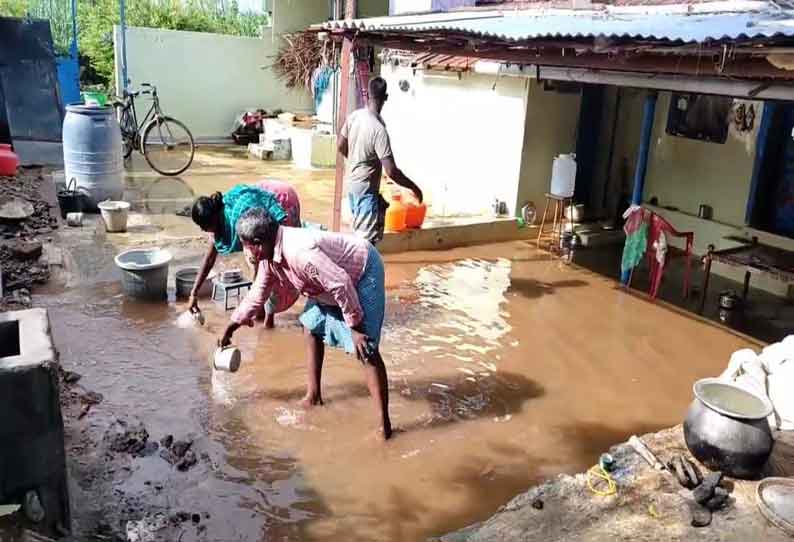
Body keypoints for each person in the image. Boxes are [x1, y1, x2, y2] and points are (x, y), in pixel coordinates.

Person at [218, 208, 392, 440]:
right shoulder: (269, 255)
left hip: (361, 271)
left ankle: (385, 426)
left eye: (245, 245)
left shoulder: (300, 253)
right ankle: (314, 396)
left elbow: (340, 284)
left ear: (258, 243)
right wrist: (232, 326)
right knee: (311, 326)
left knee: (366, 348)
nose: (245, 251)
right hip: (326, 282)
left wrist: (356, 327)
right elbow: (258, 293)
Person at [189, 179, 301, 328]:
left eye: (205, 226)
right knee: (260, 266)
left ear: (215, 218)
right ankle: (263, 314)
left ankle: (268, 319)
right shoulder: (216, 220)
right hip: (262, 195)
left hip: (282, 201)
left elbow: (259, 264)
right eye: (201, 227)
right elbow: (209, 259)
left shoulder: (239, 219)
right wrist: (193, 293)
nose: (203, 230)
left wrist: (250, 308)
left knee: (274, 260)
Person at [338, 76, 422, 244]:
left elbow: (340, 145)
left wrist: (356, 160)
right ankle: (367, 270)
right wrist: (415, 188)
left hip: (353, 187)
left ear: (367, 95)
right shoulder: (379, 130)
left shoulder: (354, 117)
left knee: (359, 236)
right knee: (365, 246)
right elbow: (391, 171)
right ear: (386, 98)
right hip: (365, 192)